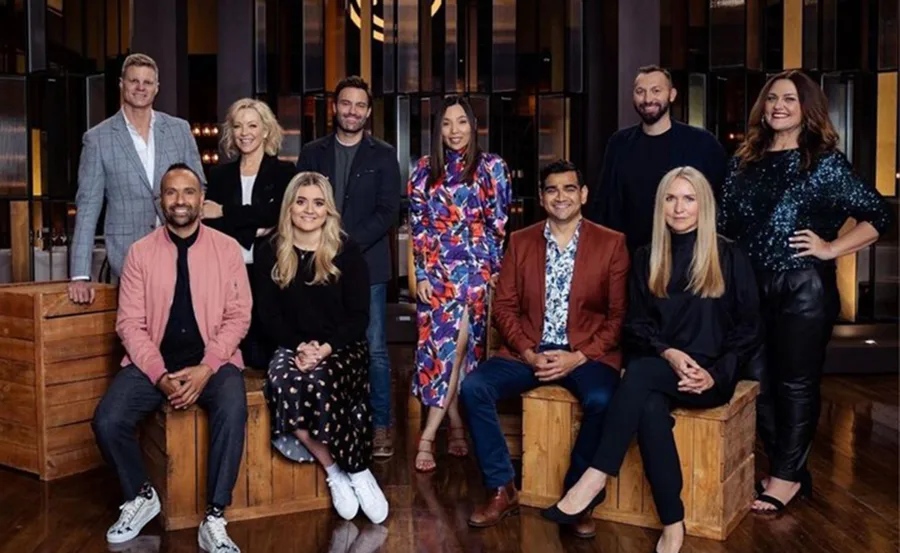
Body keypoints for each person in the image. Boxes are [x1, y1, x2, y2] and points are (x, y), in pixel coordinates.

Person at [542, 166, 762, 553]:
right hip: (662, 368)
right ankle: (673, 523)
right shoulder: (647, 256)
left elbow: (749, 328)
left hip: (709, 375)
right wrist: (669, 352)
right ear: (661, 205)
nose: (679, 208)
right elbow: (636, 325)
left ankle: (595, 475)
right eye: (671, 198)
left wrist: (714, 374)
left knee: (640, 374)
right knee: (647, 404)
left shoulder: (728, 254)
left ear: (704, 204)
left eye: (689, 199)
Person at [718, 70, 893, 513]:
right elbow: (723, 224)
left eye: (790, 99)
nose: (778, 106)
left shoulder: (824, 162)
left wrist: (831, 247)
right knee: (755, 381)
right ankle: (790, 469)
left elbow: (878, 215)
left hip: (801, 287)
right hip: (747, 286)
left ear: (806, 108)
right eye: (772, 98)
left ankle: (784, 476)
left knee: (795, 384)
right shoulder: (743, 161)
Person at [459, 160, 629, 535]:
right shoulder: (521, 241)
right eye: (552, 189)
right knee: (473, 388)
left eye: (569, 188)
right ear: (541, 197)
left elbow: (618, 317)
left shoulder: (612, 243)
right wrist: (529, 353)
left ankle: (578, 498)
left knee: (603, 400)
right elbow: (504, 308)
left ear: (583, 195)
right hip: (529, 349)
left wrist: (578, 357)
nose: (560, 196)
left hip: (586, 353)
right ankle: (502, 487)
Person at [92, 163, 251, 553]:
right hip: (153, 362)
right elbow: (129, 324)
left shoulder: (226, 249)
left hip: (213, 361)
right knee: (107, 420)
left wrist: (207, 367)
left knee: (233, 406)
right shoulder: (140, 253)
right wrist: (159, 375)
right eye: (171, 192)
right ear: (160, 200)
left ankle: (215, 516)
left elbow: (239, 315)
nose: (180, 200)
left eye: (188, 192)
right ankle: (140, 494)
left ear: (201, 199)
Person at [255, 172, 389, 525]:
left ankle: (359, 470)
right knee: (283, 383)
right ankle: (335, 470)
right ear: (289, 206)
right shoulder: (269, 249)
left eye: (318, 203)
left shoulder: (347, 250)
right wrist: (300, 347)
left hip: (341, 347)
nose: (309, 210)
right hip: (292, 345)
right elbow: (268, 315)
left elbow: (359, 317)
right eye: (301, 202)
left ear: (328, 209)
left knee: (320, 382)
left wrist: (324, 350)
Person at [296, 76, 401, 458]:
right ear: (335, 107)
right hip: (316, 264)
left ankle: (381, 425)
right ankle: (332, 423)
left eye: (359, 105)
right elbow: (298, 202)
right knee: (324, 342)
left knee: (374, 348)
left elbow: (388, 211)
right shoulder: (313, 152)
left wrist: (344, 246)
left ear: (368, 112)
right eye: (345, 103)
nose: (352, 111)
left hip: (367, 267)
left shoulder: (383, 154)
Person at [408, 95, 512, 472]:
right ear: (438, 129)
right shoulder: (422, 170)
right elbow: (418, 228)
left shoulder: (492, 167)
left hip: (475, 273)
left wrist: (496, 273)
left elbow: (498, 226)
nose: (455, 131)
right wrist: (421, 274)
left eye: (462, 122)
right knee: (439, 352)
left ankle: (427, 436)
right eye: (447, 123)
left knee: (458, 350)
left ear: (473, 125)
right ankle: (454, 425)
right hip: (436, 274)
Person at [68, 53, 204, 304]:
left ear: (156, 88)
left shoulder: (179, 130)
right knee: (134, 325)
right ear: (122, 84)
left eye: (147, 82)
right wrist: (80, 275)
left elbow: (199, 187)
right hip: (127, 257)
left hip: (181, 250)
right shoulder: (98, 139)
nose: (141, 87)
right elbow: (87, 208)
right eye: (134, 81)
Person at [588, 65, 726, 253]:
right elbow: (603, 204)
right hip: (630, 256)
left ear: (672, 95)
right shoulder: (619, 144)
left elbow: (721, 202)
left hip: (689, 256)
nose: (647, 99)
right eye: (640, 92)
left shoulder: (702, 143)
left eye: (656, 91)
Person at [203, 98, 296, 368]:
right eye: (238, 126)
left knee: (265, 349)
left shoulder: (283, 172)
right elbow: (210, 223)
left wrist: (224, 211)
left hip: (270, 270)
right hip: (228, 270)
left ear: (265, 130)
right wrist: (254, 226)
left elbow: (277, 215)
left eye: (252, 125)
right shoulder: (219, 175)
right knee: (234, 347)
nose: (245, 133)